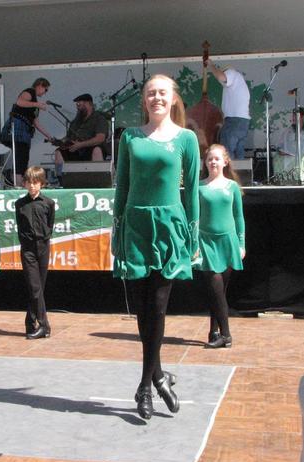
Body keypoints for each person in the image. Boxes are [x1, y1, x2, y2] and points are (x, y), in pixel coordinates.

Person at [112, 74, 200, 420]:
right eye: (151, 93)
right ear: (144, 100)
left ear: (173, 98)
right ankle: (159, 375)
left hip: (169, 227)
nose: (156, 98)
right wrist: (117, 231)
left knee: (159, 307)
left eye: (162, 92)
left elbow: (191, 190)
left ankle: (144, 387)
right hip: (135, 226)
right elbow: (122, 186)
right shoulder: (130, 137)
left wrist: (193, 236)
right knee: (143, 308)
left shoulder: (187, 139)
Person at [196, 144, 245, 349]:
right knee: (215, 287)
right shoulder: (199, 187)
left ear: (225, 161)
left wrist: (241, 243)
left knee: (219, 292)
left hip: (228, 242)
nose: (213, 162)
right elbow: (194, 217)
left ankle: (213, 330)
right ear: (205, 163)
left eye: (216, 159)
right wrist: (193, 244)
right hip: (206, 242)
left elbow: (238, 216)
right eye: (209, 159)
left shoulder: (232, 187)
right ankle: (226, 335)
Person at [15, 166, 55, 339]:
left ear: (41, 184)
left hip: (43, 246)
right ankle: (44, 325)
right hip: (28, 249)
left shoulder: (48, 203)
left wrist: (44, 238)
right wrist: (25, 243)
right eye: (29, 183)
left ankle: (30, 322)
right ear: (24, 184)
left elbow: (50, 223)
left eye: (35, 183)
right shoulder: (20, 204)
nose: (32, 186)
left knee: (38, 288)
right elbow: (20, 226)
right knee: (34, 286)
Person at [1, 78, 54, 187]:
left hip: (25, 131)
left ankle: (19, 181)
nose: (45, 93)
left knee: (24, 156)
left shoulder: (35, 105)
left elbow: (36, 123)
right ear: (40, 85)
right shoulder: (30, 92)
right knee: (20, 155)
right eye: (45, 89)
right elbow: (20, 102)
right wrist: (37, 104)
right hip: (17, 127)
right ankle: (17, 182)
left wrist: (49, 135)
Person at [53, 93, 109, 185]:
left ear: (88, 104)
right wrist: (59, 141)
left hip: (90, 148)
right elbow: (68, 137)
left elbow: (100, 138)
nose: (78, 107)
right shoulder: (75, 122)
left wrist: (80, 145)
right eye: (77, 105)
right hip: (75, 149)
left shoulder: (99, 119)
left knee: (97, 150)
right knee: (59, 152)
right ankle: (62, 182)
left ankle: (98, 181)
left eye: (80, 104)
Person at [207, 60, 250, 160]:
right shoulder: (239, 82)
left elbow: (221, 76)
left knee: (226, 152)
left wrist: (211, 65)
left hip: (234, 120)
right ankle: (239, 175)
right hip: (243, 121)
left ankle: (227, 174)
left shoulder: (232, 73)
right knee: (239, 154)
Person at [274, 107, 304, 181]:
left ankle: (299, 181)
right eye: (293, 116)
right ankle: (283, 181)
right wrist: (281, 151)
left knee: (300, 159)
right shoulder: (289, 130)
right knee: (277, 158)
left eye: (296, 116)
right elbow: (280, 145)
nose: (293, 118)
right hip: (291, 154)